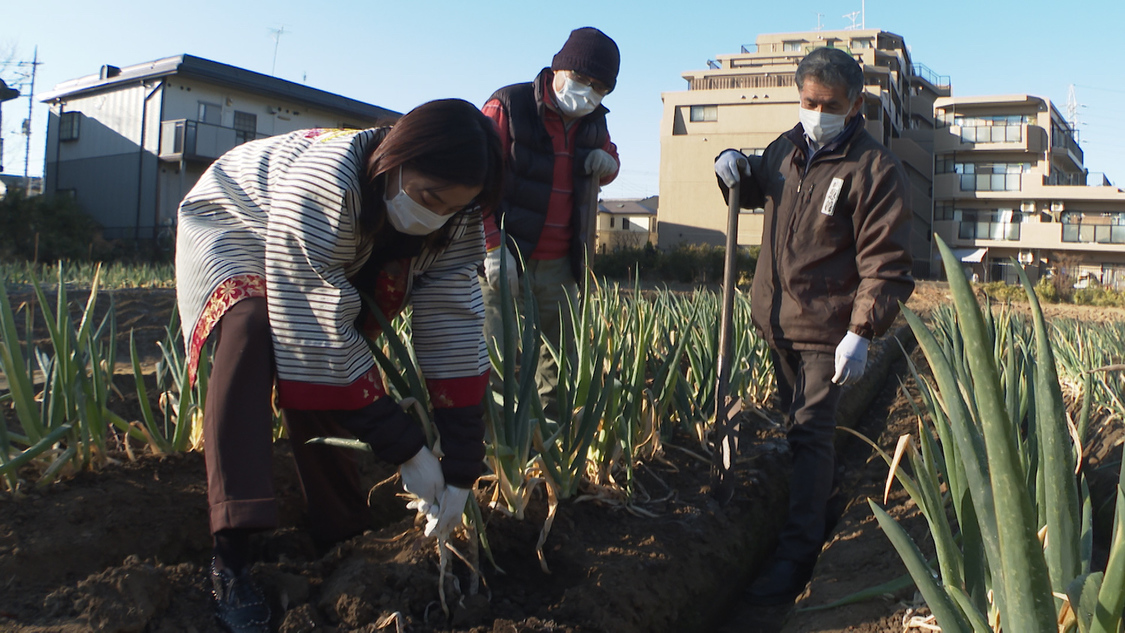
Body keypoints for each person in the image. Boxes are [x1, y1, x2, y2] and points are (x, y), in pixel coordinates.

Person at [175, 98, 503, 633]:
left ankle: (340, 530)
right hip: (238, 217)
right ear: (396, 159)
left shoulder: (455, 216)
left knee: (335, 371)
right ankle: (231, 554)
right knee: (255, 329)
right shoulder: (328, 182)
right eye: (428, 197)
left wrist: (462, 464)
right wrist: (408, 450)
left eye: (452, 206)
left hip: (339, 243)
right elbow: (316, 332)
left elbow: (455, 324)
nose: (436, 214)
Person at [713, 47, 914, 606]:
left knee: (809, 433)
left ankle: (797, 556)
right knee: (798, 430)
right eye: (808, 101)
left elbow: (888, 264)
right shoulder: (786, 148)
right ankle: (820, 509)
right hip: (777, 318)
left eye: (829, 104)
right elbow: (755, 189)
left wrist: (863, 331)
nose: (817, 111)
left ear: (854, 105)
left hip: (829, 329)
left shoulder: (873, 169)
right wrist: (732, 165)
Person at [479, 26, 621, 421]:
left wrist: (609, 165)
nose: (588, 93)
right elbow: (476, 179)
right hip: (508, 259)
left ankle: (546, 452)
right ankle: (493, 460)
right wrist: (492, 247)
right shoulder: (507, 105)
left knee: (557, 366)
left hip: (561, 267)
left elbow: (608, 156)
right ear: (559, 68)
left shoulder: (594, 120)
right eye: (581, 80)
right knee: (497, 363)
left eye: (600, 88)